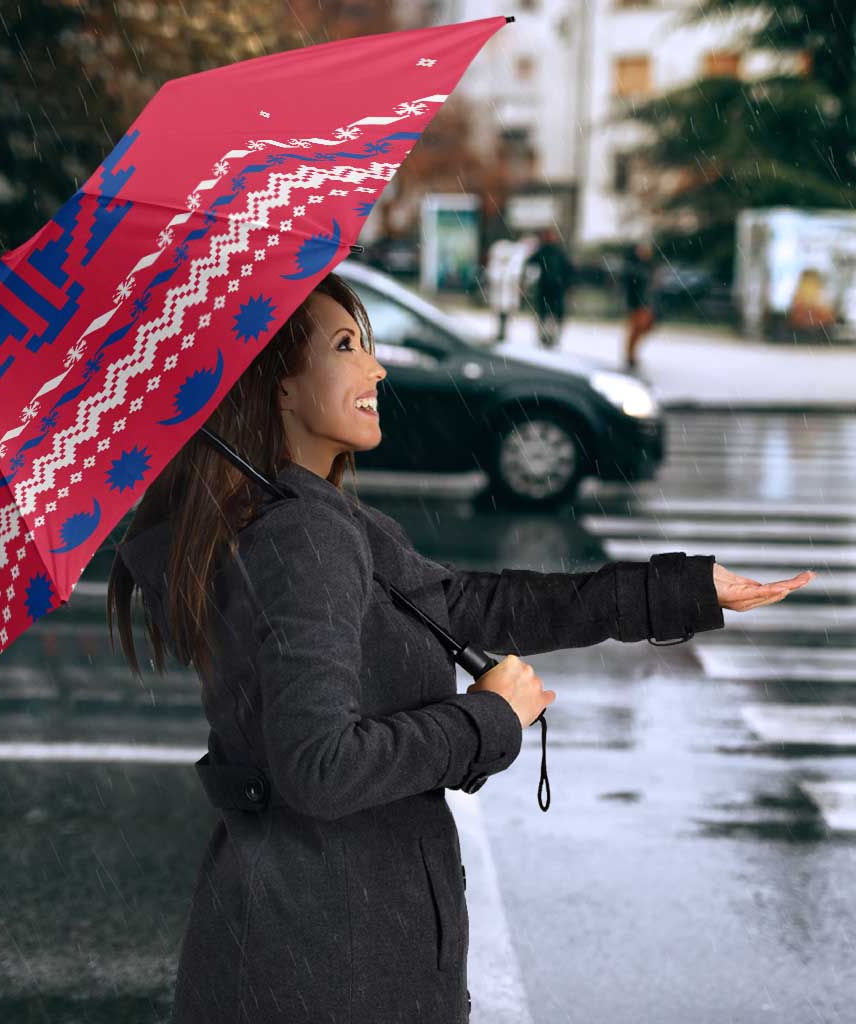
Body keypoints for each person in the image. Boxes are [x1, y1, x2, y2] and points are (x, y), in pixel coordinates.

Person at [107, 270, 802, 1024]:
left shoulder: (303, 517)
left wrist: (681, 592)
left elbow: (468, 604)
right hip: (334, 963)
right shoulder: (301, 537)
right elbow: (320, 768)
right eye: (346, 346)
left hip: (306, 942)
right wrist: (489, 719)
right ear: (277, 386)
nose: (375, 368)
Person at [524, 226, 574, 349]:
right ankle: (545, 337)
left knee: (552, 315)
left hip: (555, 288)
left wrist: (567, 284)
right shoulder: (544, 251)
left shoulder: (557, 252)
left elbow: (568, 270)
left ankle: (551, 337)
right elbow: (530, 264)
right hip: (547, 288)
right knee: (545, 314)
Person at [622, 239, 658, 370]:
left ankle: (631, 354)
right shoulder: (634, 267)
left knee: (644, 328)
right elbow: (631, 286)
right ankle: (630, 355)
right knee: (636, 329)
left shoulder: (649, 266)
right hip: (637, 303)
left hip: (646, 303)